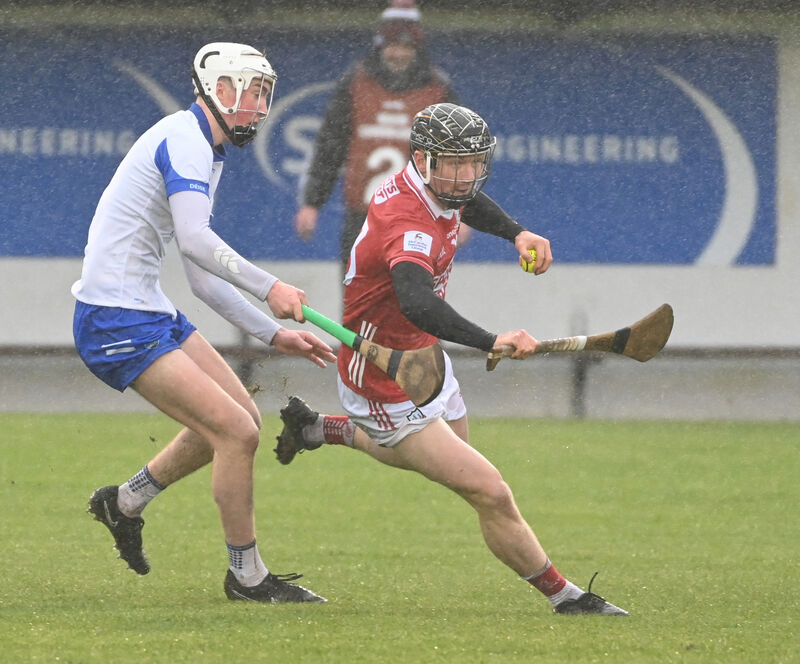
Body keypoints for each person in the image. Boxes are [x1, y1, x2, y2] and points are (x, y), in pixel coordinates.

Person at [275, 103, 628, 615]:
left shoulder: (436, 187)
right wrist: (490, 340)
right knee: (489, 491)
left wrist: (516, 232)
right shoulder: (406, 219)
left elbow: (466, 203)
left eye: (473, 163)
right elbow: (417, 300)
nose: (465, 176)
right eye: (454, 164)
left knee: (443, 461)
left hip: (424, 355)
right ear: (422, 159)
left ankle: (317, 429)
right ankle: (567, 598)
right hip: (382, 373)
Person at [73, 42, 335, 604]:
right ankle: (248, 578)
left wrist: (273, 333)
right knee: (235, 433)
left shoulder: (205, 151)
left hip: (149, 308)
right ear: (218, 89)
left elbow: (202, 278)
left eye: (265, 94)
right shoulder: (184, 140)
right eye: (252, 92)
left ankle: (124, 502)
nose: (261, 106)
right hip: (115, 318)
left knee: (242, 419)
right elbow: (195, 240)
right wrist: (271, 288)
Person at [294, 0, 471, 278]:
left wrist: (461, 212)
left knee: (412, 296)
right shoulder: (355, 82)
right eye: (392, 45)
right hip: (362, 217)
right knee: (357, 294)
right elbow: (330, 145)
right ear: (380, 45)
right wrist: (312, 203)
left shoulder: (438, 89)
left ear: (417, 48)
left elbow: (455, 156)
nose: (398, 53)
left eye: (406, 47)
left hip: (418, 218)